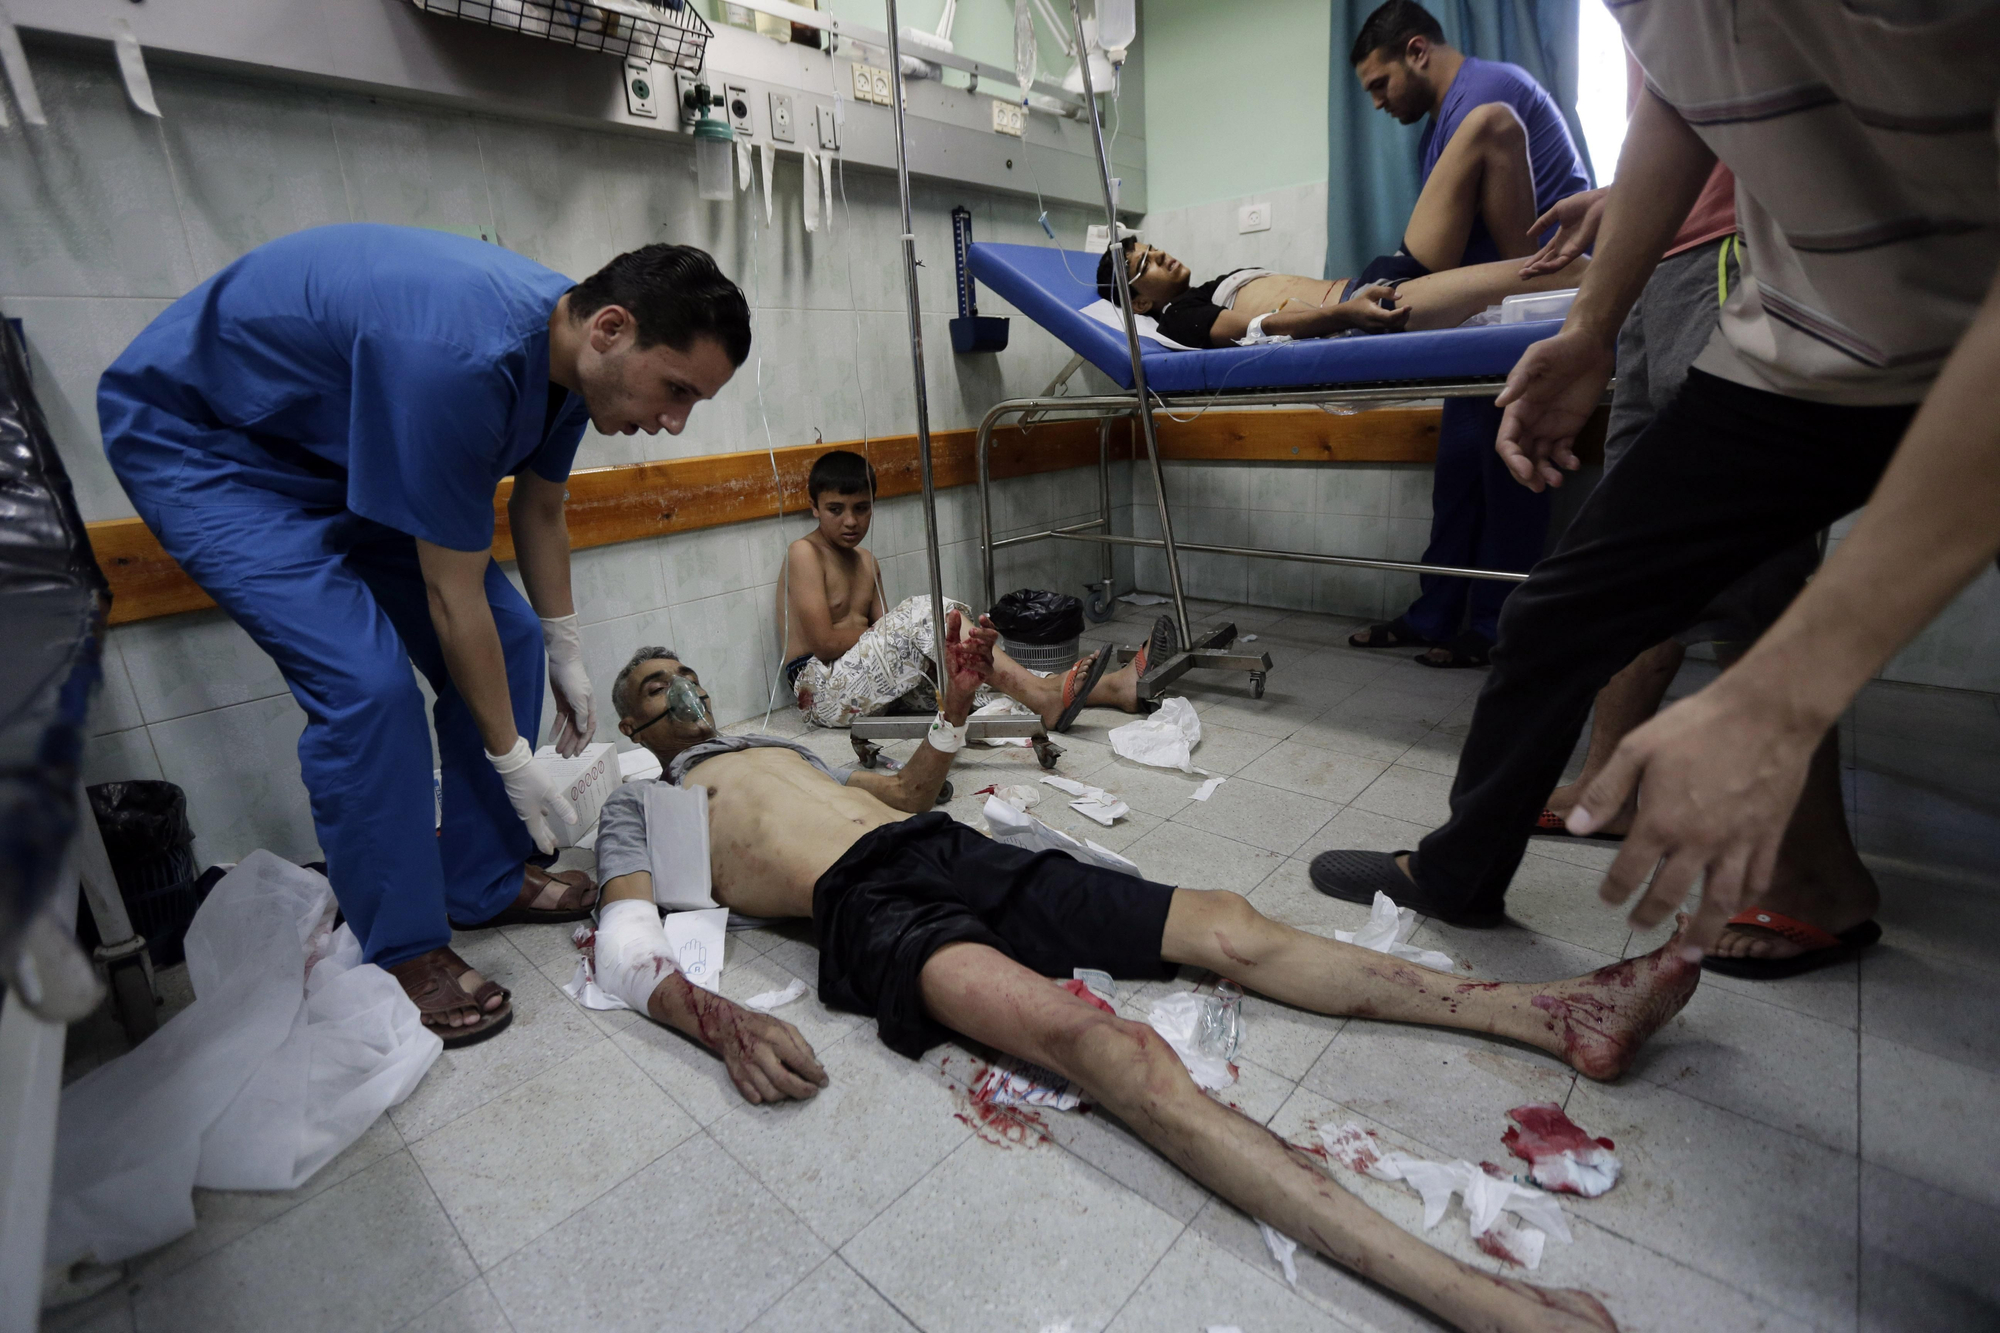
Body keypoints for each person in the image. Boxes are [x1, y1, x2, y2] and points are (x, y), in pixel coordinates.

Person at [581, 629, 1703, 1333]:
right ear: (632, 723)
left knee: (1225, 919)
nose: (675, 683)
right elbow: (629, 947)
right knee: (1106, 1049)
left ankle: (1556, 1012)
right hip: (872, 914)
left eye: (679, 667)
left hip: (948, 851)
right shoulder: (646, 797)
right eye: (650, 682)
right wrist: (717, 1021)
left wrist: (955, 711)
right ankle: (1484, 1303)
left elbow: (908, 797)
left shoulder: (788, 749)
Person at [1309, 3, 2000, 965]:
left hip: (1975, 316)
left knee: (1755, 595)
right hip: (1810, 332)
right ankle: (1460, 871)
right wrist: (1592, 326)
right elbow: (1683, 95)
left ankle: (1813, 877)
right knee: (1556, 611)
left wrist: (1787, 688)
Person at [98, 226, 750, 1046]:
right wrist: (514, 762)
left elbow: (539, 509)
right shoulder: (465, 358)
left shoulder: (575, 358)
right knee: (367, 689)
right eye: (677, 390)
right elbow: (449, 599)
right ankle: (404, 946)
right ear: (612, 329)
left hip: (339, 448)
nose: (676, 421)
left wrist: (564, 645)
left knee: (509, 641)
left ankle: (479, 877)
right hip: (210, 448)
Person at [1516, 57, 1875, 981]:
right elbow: (1674, 96)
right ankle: (1613, 784)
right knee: (1641, 545)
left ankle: (1816, 874)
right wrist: (1600, 301)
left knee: (1747, 555)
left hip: (1747, 244)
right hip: (1663, 258)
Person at [1342, 0, 1593, 669]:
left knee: (1504, 468)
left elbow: (1499, 246)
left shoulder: (1489, 99)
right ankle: (1436, 614)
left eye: (1380, 84)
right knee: (1457, 471)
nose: (1376, 103)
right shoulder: (1440, 127)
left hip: (1533, 307)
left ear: (1417, 51)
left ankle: (1493, 626)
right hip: (1482, 315)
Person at [776, 448, 1167, 732]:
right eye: (835, 509)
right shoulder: (804, 553)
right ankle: (1045, 698)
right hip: (822, 691)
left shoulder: (866, 561)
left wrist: (934, 650)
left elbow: (888, 640)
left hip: (870, 688)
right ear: (813, 507)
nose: (850, 521)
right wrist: (917, 629)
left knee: (977, 678)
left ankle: (1114, 689)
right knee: (926, 614)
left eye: (861, 508)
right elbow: (826, 643)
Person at [1093, 239, 1588, 349]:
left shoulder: (1205, 286)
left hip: (1367, 281)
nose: (1162, 257)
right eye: (1146, 264)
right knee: (1543, 271)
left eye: (1155, 249)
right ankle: (1644, 268)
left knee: (1489, 127)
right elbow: (1254, 330)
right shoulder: (1178, 316)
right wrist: (1348, 312)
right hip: (1370, 306)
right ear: (1138, 303)